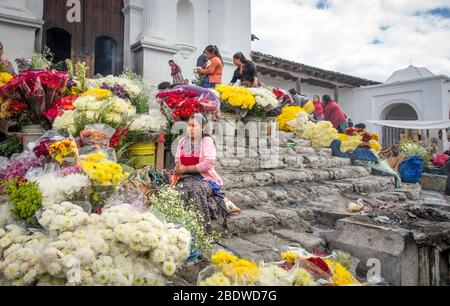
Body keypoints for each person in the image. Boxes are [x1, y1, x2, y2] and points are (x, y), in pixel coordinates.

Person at [175, 114, 240, 232]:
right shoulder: (183, 142)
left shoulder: (206, 141)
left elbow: (208, 164)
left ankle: (202, 229)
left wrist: (186, 169)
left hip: (205, 179)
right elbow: (178, 161)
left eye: (193, 125)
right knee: (179, 190)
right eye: (189, 125)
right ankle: (181, 228)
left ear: (203, 128)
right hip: (186, 178)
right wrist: (178, 169)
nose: (190, 128)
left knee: (195, 189)